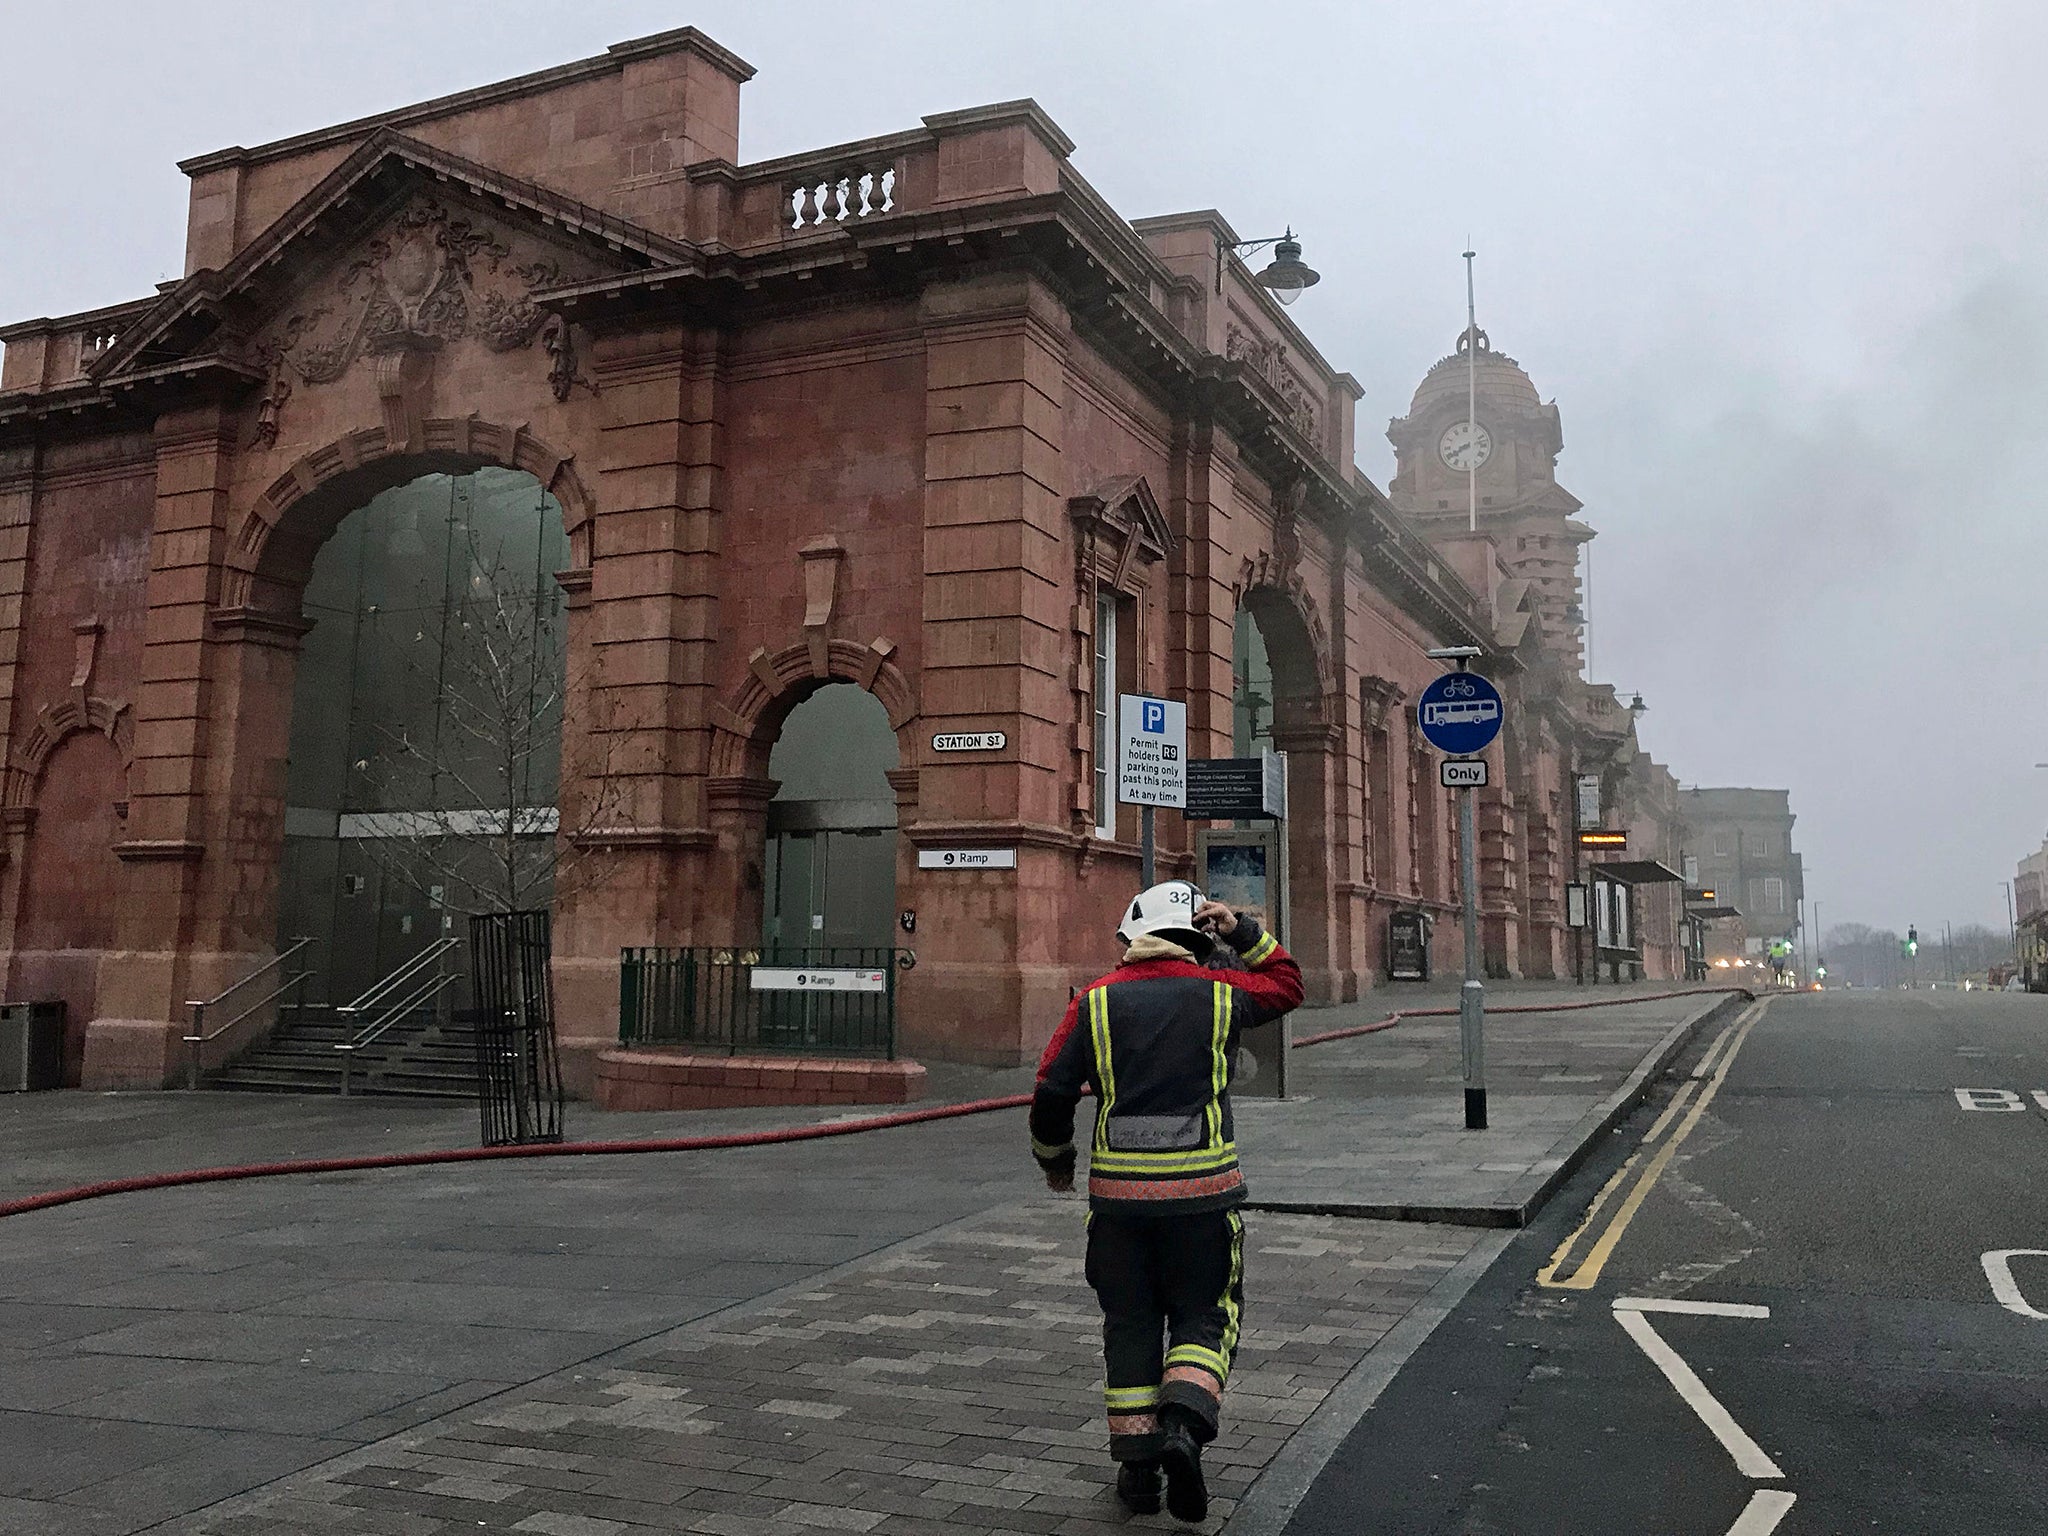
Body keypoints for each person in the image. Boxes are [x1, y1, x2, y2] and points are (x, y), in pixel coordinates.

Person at [1030, 881, 1304, 1523]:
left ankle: (1138, 1473)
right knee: (1205, 1315)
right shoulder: (1221, 995)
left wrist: (1056, 1164)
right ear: (1194, 940)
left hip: (1120, 1207)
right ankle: (1183, 1425)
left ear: (1132, 937)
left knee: (1129, 1322)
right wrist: (1240, 931)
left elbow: (1050, 1093)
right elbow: (1289, 984)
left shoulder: (1095, 1003)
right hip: (1203, 1201)